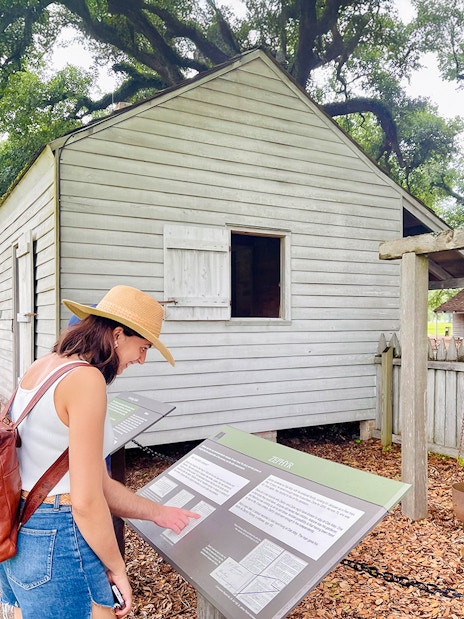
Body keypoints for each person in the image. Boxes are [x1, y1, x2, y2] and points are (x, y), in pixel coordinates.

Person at [0, 285, 200, 619]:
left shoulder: (44, 365)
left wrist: (157, 513)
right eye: (143, 347)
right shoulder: (86, 380)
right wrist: (117, 566)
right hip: (58, 535)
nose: (141, 359)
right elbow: (86, 500)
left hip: (20, 525)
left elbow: (89, 480)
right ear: (119, 335)